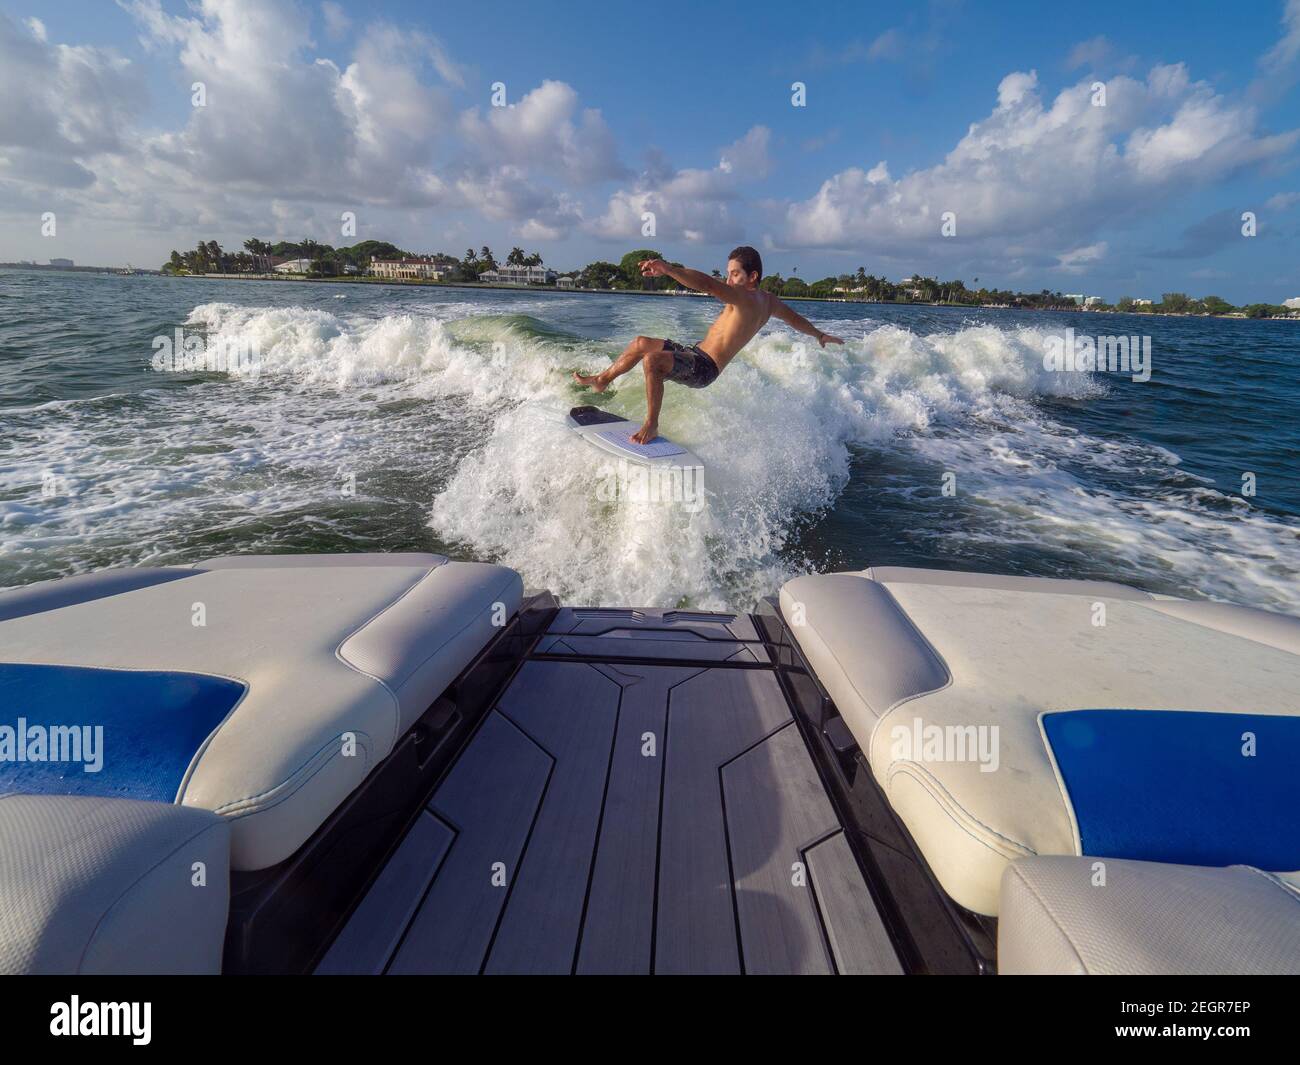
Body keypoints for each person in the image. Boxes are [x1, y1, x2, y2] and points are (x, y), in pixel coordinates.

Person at [573, 245, 845, 443]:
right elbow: (794, 319)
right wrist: (818, 335)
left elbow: (708, 284)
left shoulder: (745, 297)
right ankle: (602, 380)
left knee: (653, 361)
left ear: (753, 276)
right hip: (695, 353)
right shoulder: (769, 301)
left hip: (705, 368)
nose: (729, 280)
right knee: (641, 343)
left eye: (735, 274)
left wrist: (667, 269)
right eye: (728, 274)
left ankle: (652, 424)